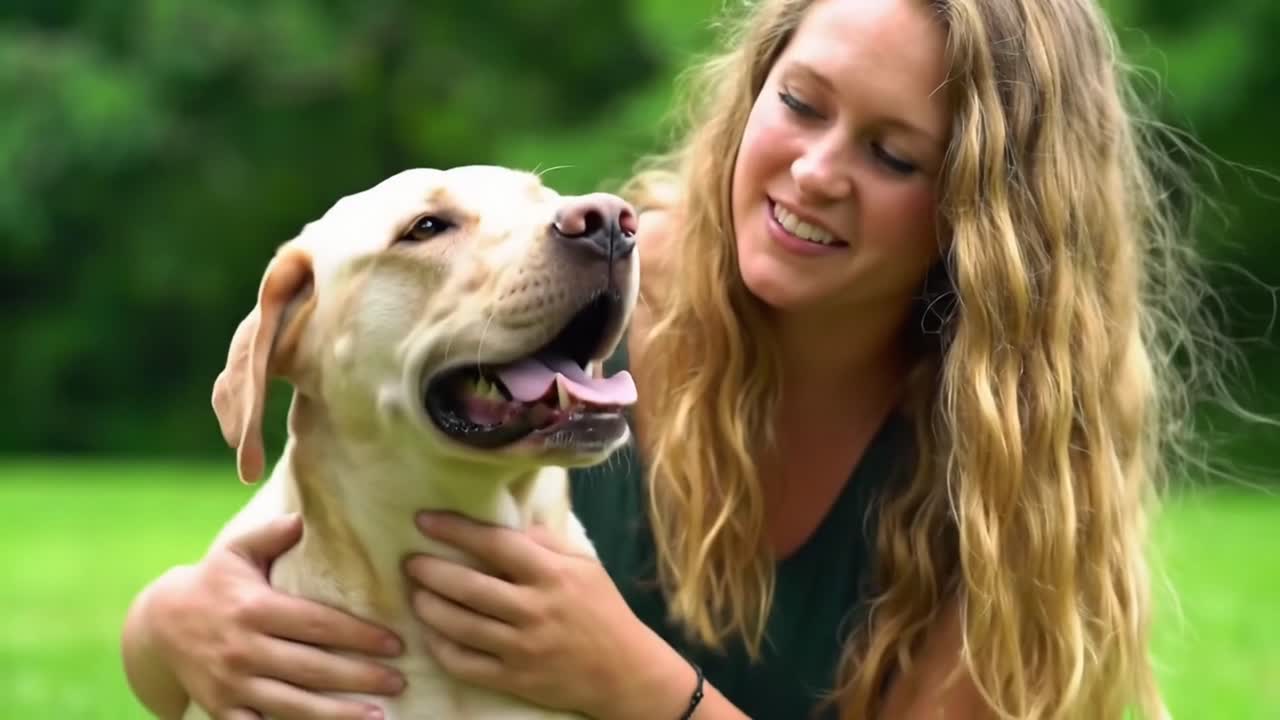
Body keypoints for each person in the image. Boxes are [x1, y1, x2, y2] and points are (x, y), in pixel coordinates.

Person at [121, 0, 1237, 717]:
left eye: (893, 155)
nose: (814, 172)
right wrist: (171, 625)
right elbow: (261, 578)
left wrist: (646, 689)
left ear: (983, 218)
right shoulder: (569, 304)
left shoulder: (1005, 462)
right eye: (798, 104)